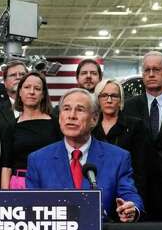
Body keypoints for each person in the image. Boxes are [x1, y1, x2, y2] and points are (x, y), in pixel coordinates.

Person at [26, 88, 143, 222]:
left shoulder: (118, 157)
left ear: (94, 119)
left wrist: (130, 209)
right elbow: (31, 207)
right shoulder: (38, 159)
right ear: (59, 118)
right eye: (66, 109)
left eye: (80, 109)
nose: (72, 116)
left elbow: (129, 195)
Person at [92, 78, 162, 219]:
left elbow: (143, 167)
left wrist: (136, 201)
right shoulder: (90, 128)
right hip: (98, 192)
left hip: (128, 192)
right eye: (104, 95)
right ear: (98, 99)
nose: (109, 100)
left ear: (120, 100)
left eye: (114, 96)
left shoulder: (135, 126)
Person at [0, 72, 61, 189]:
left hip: (51, 182)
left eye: (37, 88)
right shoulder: (11, 126)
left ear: (43, 95)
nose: (31, 92)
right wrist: (5, 197)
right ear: (20, 93)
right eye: (27, 87)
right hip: (19, 185)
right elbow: (6, 166)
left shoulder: (56, 123)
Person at [0, 60, 27, 133]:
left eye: (22, 74)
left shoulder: (40, 108)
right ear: (5, 82)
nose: (18, 77)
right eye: (13, 75)